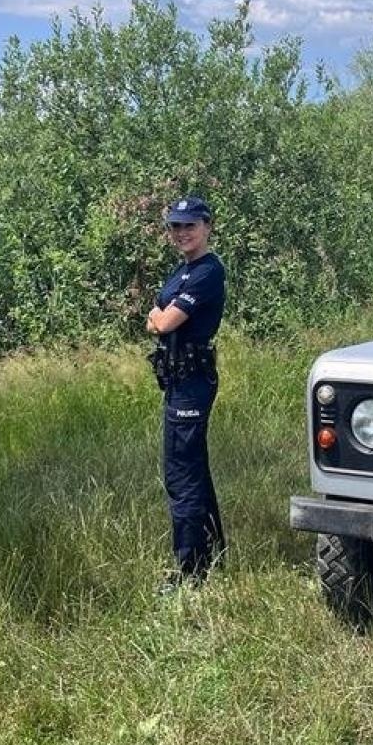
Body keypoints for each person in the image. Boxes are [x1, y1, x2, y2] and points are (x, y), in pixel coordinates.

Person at [146, 196, 227, 591]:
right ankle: (213, 553)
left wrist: (160, 318)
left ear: (207, 226)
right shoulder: (183, 271)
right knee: (193, 469)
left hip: (192, 383)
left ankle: (190, 571)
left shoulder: (208, 272)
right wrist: (159, 318)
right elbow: (157, 316)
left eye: (189, 226)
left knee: (183, 476)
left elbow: (164, 321)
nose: (181, 233)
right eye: (175, 227)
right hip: (178, 382)